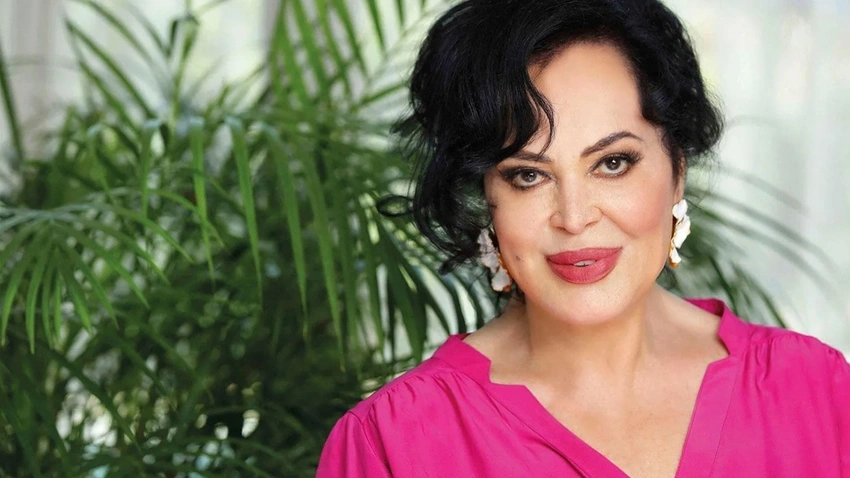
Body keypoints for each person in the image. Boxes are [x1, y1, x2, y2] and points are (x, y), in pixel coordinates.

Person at [317, 0, 850, 476]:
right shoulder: (391, 444)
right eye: (528, 175)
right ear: (486, 196)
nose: (573, 218)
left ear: (677, 172)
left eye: (612, 163)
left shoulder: (816, 392)